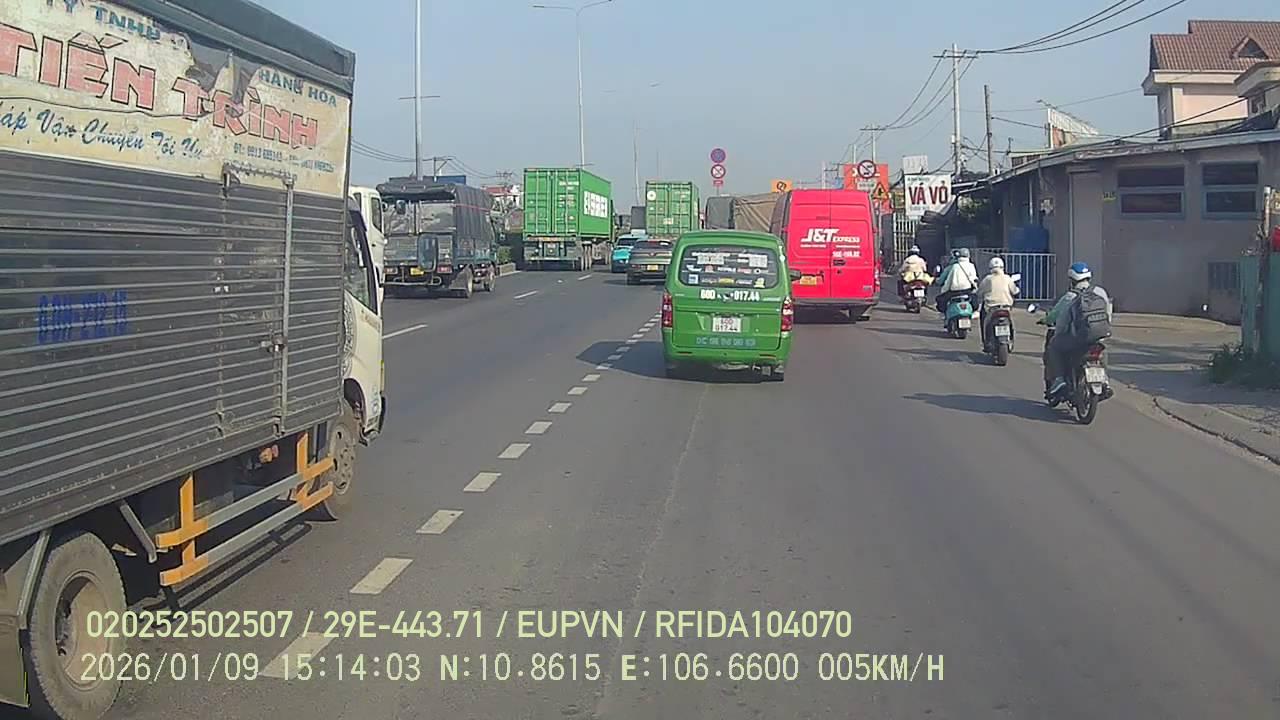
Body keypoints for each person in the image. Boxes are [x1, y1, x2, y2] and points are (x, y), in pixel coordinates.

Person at [1042, 261, 1113, 397]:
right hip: (1099, 335)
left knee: (1054, 347)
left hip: (1077, 339)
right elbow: (1107, 314)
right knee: (1101, 351)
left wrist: (1056, 331)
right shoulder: (1100, 292)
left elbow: (1061, 321)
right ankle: (1105, 380)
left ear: (1071, 280)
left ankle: (1059, 380)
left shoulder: (1069, 297)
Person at [977, 257, 1020, 347]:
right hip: (1006, 307)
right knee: (1010, 323)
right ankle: (1011, 339)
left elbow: (980, 292)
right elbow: (1014, 291)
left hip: (991, 307)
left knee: (984, 320)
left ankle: (986, 341)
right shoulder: (1007, 278)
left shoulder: (988, 279)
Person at [935, 247, 978, 314]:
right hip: (967, 291)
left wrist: (943, 291)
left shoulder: (954, 267)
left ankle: (945, 315)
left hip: (954, 292)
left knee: (940, 300)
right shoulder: (971, 266)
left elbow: (948, 281)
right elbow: (974, 279)